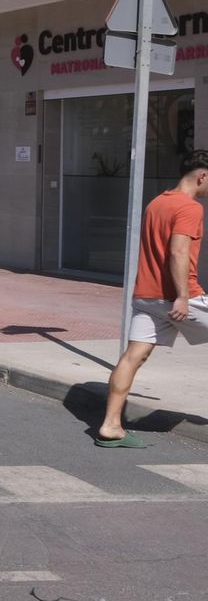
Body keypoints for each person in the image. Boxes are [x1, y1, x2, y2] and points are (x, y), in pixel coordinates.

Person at [98, 149, 208, 448]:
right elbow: (177, 252)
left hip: (146, 295)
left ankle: (110, 426)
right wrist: (183, 296)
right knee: (135, 357)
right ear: (202, 176)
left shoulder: (157, 202)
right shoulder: (190, 207)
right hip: (177, 296)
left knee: (134, 356)